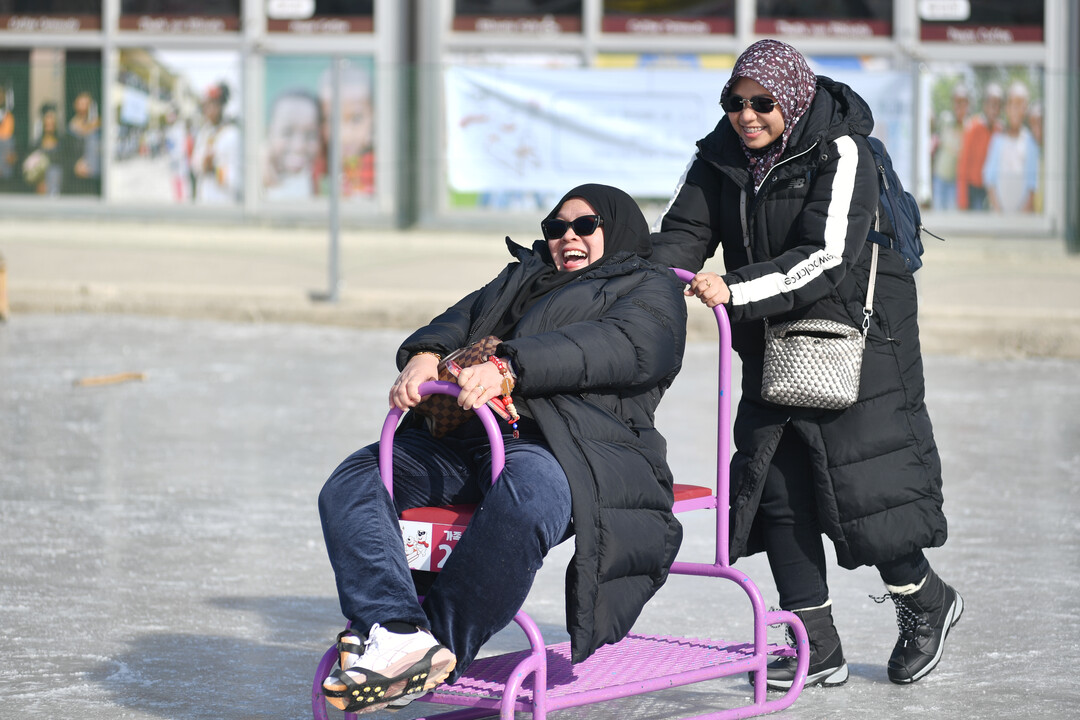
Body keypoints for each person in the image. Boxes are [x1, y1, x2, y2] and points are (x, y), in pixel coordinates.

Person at [649, 39, 962, 690]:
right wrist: (635, 283)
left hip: (855, 336)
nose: (746, 115)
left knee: (862, 491)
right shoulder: (721, 155)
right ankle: (815, 644)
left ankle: (925, 601)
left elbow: (827, 257)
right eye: (734, 103)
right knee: (778, 491)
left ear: (791, 97)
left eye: (762, 103)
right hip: (770, 338)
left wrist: (735, 289)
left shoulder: (840, 150)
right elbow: (682, 233)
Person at [318, 183, 686, 714]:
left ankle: (437, 646)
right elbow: (460, 319)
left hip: (568, 441)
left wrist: (509, 367)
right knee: (358, 477)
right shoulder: (523, 275)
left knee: (530, 499)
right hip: (466, 435)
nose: (567, 238)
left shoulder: (648, 287)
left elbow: (620, 347)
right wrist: (424, 353)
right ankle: (395, 627)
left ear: (619, 228)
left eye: (585, 227)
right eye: (556, 228)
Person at [315, 60, 374, 197]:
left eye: (356, 119)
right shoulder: (318, 163)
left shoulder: (380, 166)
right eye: (332, 120)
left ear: (373, 117)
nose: (344, 135)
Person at [983, 81, 1040, 214]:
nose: (1016, 110)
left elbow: (1032, 186)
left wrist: (1021, 215)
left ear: (1025, 109)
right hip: (999, 217)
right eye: (1013, 104)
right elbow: (990, 179)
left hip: (1022, 219)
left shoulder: (1030, 143)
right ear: (1007, 108)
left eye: (1020, 105)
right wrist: (999, 211)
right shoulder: (997, 141)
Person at [263, 88, 323, 199]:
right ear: (269, 133)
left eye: (310, 135)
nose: (299, 146)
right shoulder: (256, 182)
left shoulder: (321, 176)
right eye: (287, 133)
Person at [190, 82, 242, 204]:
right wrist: (202, 164)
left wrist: (214, 169)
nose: (207, 110)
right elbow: (194, 163)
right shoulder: (203, 133)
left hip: (223, 203)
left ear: (221, 106)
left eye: (212, 105)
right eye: (205, 105)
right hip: (203, 199)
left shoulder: (232, 135)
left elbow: (238, 179)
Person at [956, 81, 1002, 211]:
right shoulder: (973, 127)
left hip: (992, 189)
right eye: (992, 104)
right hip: (973, 189)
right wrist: (963, 200)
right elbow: (963, 164)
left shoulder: (1000, 130)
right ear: (985, 105)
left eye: (998, 105)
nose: (995, 109)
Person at [930, 83, 968, 211]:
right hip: (939, 178)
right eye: (956, 102)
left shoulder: (969, 126)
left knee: (952, 216)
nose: (959, 106)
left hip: (955, 182)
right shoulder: (945, 119)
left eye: (963, 102)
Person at [65, 91, 101, 196]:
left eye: (86, 105)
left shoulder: (99, 128)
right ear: (75, 106)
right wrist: (74, 165)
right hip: (76, 182)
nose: (83, 109)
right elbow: (65, 155)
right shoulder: (70, 130)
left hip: (96, 182)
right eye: (80, 104)